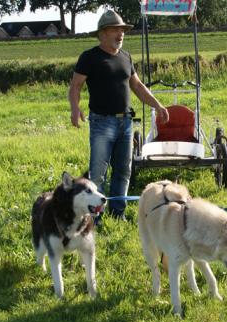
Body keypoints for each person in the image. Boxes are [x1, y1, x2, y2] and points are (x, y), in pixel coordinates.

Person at [69, 9, 169, 221]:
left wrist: (157, 105)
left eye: (122, 30)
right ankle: (93, 217)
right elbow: (76, 85)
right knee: (98, 174)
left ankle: (118, 213)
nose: (121, 34)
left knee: (124, 171)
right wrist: (74, 108)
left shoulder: (126, 57)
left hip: (125, 123)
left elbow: (138, 86)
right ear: (103, 33)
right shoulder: (89, 57)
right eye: (116, 29)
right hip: (101, 123)